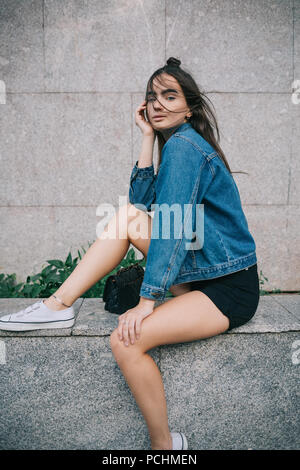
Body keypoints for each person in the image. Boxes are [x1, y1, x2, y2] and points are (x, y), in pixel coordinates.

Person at [0, 57, 260, 451]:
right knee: (127, 217)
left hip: (227, 289)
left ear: (188, 106)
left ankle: (166, 446)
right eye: (151, 97)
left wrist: (146, 301)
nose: (157, 104)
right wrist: (145, 137)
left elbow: (171, 230)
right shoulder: (174, 144)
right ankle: (58, 305)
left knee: (125, 340)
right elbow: (142, 205)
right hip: (200, 272)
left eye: (169, 96)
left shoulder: (186, 147)